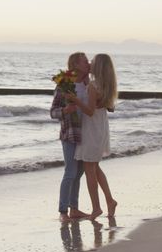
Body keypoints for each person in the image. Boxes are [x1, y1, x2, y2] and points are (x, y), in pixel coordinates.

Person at [67, 53, 118, 220]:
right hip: (100, 128)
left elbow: (89, 111)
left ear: (98, 67)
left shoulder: (93, 86)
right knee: (95, 168)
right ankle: (110, 201)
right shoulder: (107, 85)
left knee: (90, 170)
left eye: (92, 62)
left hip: (91, 131)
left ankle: (96, 208)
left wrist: (75, 100)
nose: (89, 63)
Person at [50, 52, 91, 222]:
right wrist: (65, 111)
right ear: (75, 64)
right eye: (85, 61)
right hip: (70, 134)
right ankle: (62, 211)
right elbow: (53, 112)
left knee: (79, 172)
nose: (88, 63)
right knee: (70, 172)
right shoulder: (64, 84)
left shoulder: (89, 83)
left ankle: (74, 209)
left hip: (88, 133)